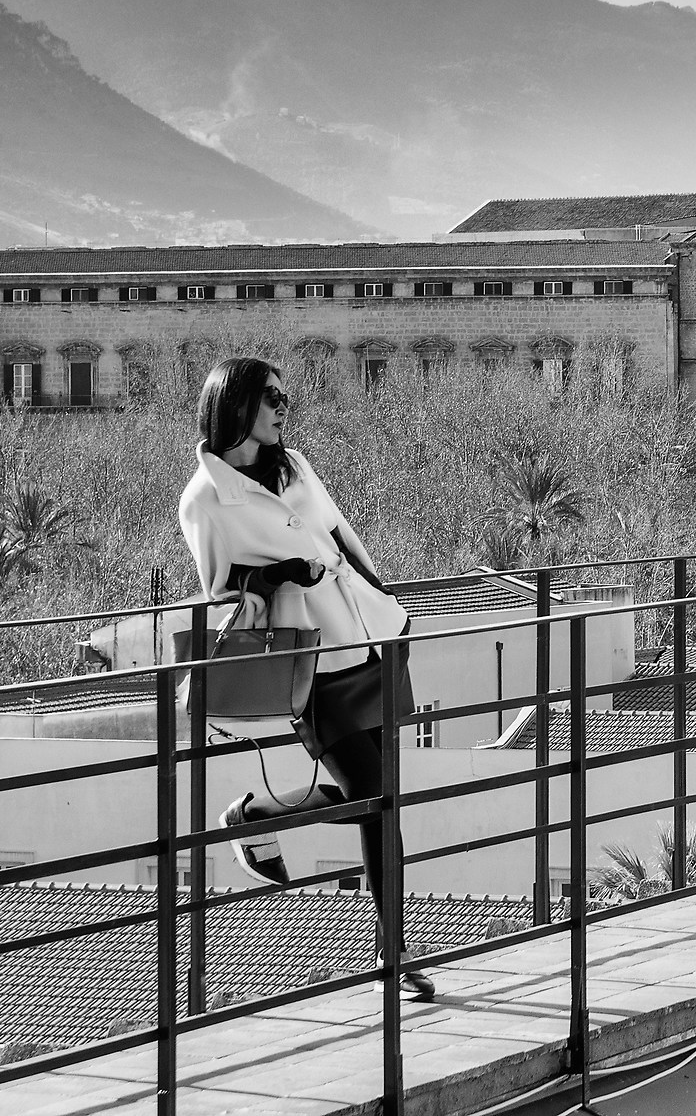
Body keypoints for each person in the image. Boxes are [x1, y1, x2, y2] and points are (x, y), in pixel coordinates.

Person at [177, 356, 435, 1001]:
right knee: (375, 797)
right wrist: (274, 576)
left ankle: (254, 814)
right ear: (236, 403)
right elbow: (217, 594)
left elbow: (342, 533)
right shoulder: (206, 497)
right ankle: (393, 950)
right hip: (308, 660)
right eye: (271, 397)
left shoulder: (294, 466)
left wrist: (389, 606)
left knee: (382, 800)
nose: (283, 406)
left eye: (285, 395)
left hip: (366, 638)